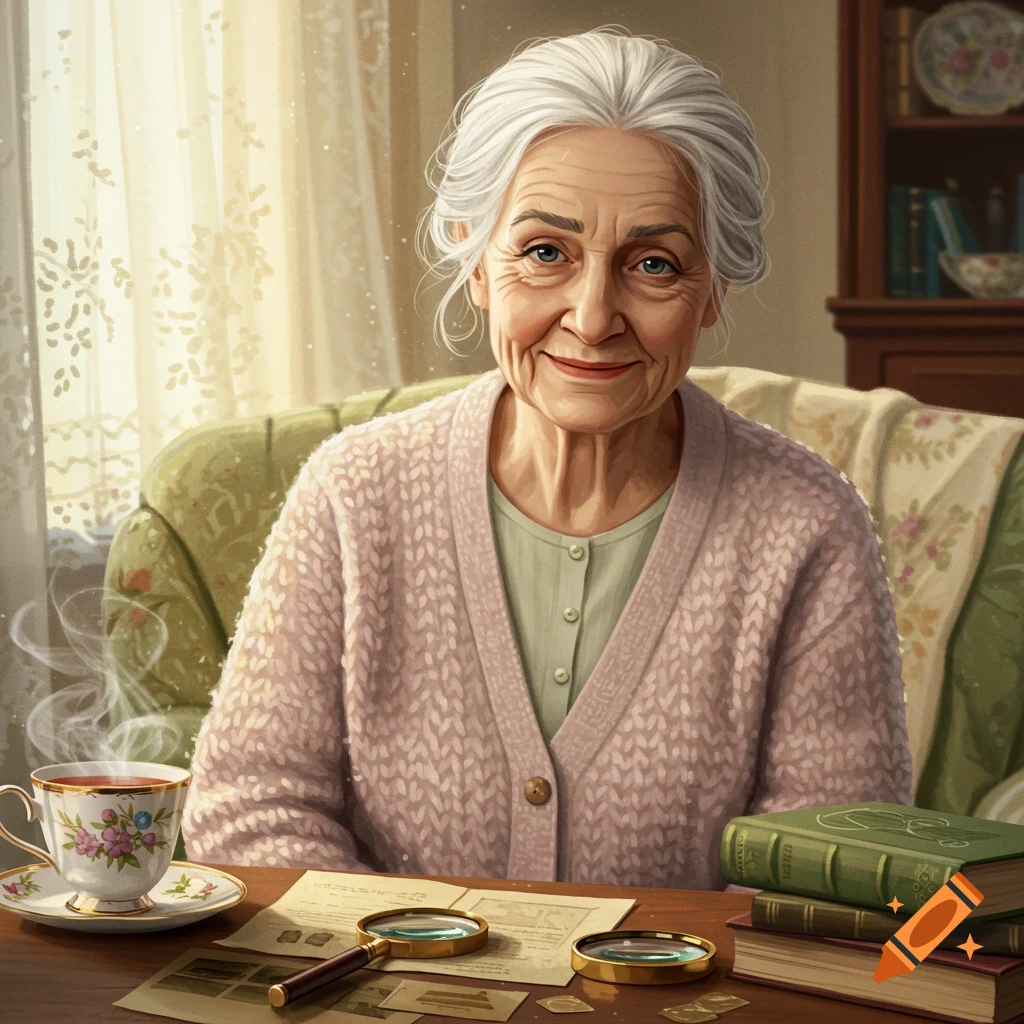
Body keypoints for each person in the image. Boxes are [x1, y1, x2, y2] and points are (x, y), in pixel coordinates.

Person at [182, 29, 912, 887]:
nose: (593, 314)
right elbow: (250, 808)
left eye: (652, 263)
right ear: (478, 261)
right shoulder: (354, 496)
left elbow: (826, 867)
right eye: (544, 252)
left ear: (713, 288)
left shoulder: (804, 526)